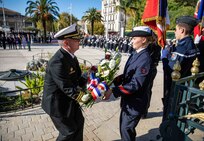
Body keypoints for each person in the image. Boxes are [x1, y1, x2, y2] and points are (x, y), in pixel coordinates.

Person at [103, 26, 153, 141]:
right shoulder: (135, 53)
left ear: (143, 40)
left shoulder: (145, 59)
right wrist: (112, 81)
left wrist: (113, 91)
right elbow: (127, 75)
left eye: (134, 38)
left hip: (135, 103)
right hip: (128, 101)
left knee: (126, 130)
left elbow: (135, 84)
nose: (131, 41)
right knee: (124, 128)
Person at [41, 23, 85, 141]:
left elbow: (78, 79)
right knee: (68, 132)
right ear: (66, 43)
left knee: (79, 122)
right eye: (76, 39)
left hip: (69, 100)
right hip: (57, 105)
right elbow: (67, 87)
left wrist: (92, 81)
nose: (79, 41)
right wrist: (86, 97)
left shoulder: (71, 56)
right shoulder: (57, 61)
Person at [162, 16, 200, 121]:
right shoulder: (192, 45)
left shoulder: (181, 48)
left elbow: (170, 70)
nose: (174, 32)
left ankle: (167, 134)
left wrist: (165, 58)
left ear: (182, 30)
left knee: (170, 114)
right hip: (185, 87)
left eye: (176, 29)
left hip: (176, 88)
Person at [142, 33, 161, 118]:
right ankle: (144, 110)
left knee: (146, 90)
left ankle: (144, 110)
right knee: (147, 90)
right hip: (152, 69)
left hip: (149, 69)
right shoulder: (156, 46)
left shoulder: (152, 47)